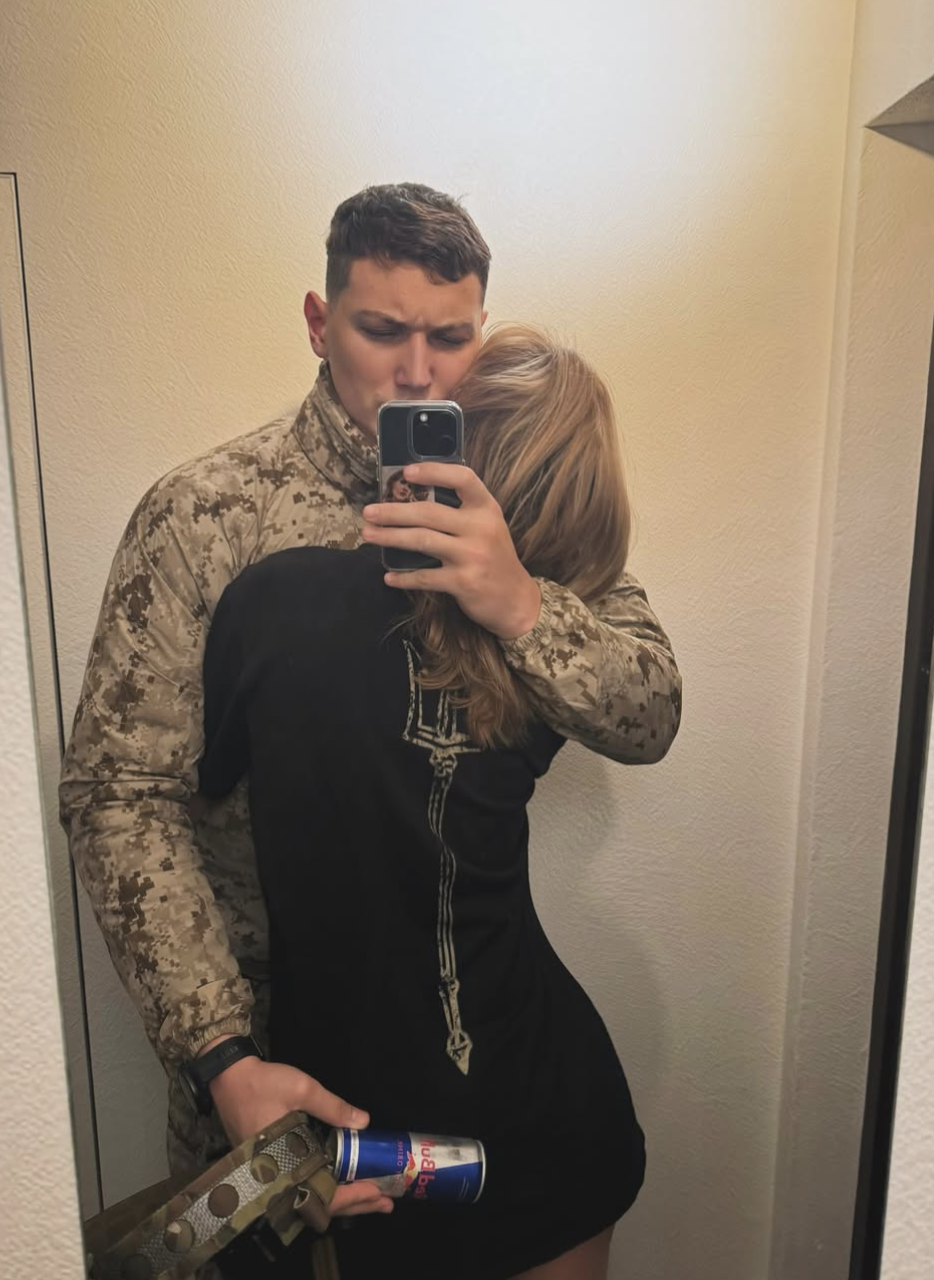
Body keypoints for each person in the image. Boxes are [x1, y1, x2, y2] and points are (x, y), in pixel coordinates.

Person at [58, 181, 679, 1269]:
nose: (418, 372)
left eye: (450, 337)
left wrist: (521, 602)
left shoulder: (519, 503)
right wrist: (220, 1054)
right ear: (319, 321)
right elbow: (119, 796)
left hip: (489, 1071)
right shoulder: (210, 514)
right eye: (382, 331)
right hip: (262, 1068)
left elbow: (650, 710)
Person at [198, 324, 681, 1280]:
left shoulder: (267, 598)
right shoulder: (552, 661)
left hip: (351, 1116)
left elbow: (206, 806)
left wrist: (520, 603)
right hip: (534, 1112)